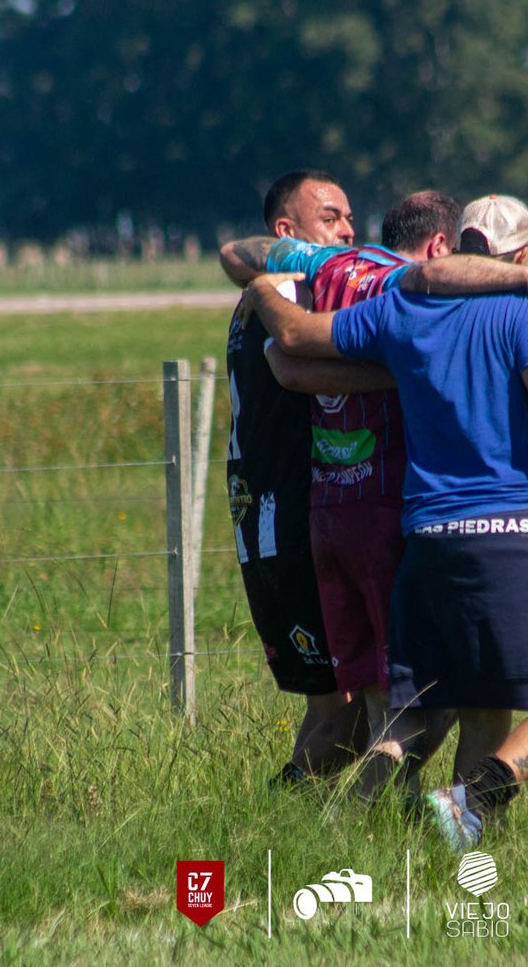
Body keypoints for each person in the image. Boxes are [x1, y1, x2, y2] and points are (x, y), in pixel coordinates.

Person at [244, 193, 528, 850]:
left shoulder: (402, 310)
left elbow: (291, 353)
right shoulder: (522, 311)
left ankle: (409, 846)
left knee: (477, 707)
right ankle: (474, 795)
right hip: (518, 535)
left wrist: (265, 289)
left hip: (429, 545)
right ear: (518, 258)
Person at [222, 192, 528, 799]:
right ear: (439, 247)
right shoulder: (405, 291)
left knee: (372, 698)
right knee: (437, 698)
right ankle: (413, 813)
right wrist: (425, 368)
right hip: (398, 511)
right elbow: (431, 285)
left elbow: (244, 267)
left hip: (329, 512)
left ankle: (359, 814)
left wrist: (261, 287)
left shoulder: (331, 265)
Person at [223, 170, 366, 786]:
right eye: (330, 218)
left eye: (349, 217)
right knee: (357, 713)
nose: (348, 230)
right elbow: (297, 371)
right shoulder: (289, 291)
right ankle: (279, 810)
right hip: (292, 519)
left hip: (264, 520)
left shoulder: (259, 293)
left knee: (330, 701)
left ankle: (289, 818)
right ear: (287, 231)